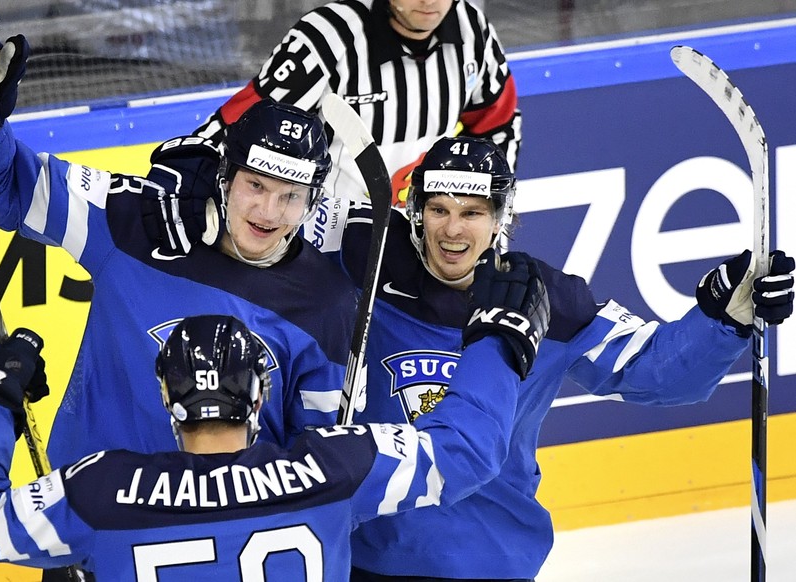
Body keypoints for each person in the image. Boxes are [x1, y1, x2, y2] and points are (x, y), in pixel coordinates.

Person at [148, 134, 795, 580]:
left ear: (500, 217)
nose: (452, 229)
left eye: (472, 212)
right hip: (368, 561)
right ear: (412, 211)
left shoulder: (546, 299)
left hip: (490, 563)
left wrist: (722, 318)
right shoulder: (359, 274)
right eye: (437, 209)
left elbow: (656, 375)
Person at [0, 5, 358, 471]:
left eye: (290, 196)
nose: (269, 212)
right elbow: (2, 187)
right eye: (255, 185)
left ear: (313, 200)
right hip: (95, 520)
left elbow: (318, 463)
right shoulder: (138, 220)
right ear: (224, 176)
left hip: (227, 532)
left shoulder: (326, 301)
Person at [0, 262, 551, 581]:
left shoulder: (103, 490)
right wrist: (497, 344)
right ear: (259, 399)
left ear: (165, 396)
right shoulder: (332, 467)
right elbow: (467, 451)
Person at [144, 0, 520, 260]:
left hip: (422, 247)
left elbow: (498, 128)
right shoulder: (328, 38)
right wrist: (187, 176)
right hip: (324, 247)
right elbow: (233, 130)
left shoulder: (474, 32)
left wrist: (493, 225)